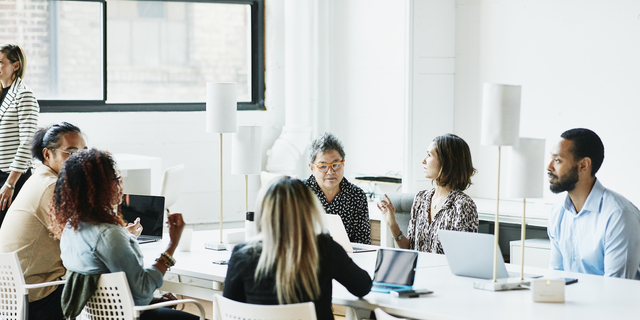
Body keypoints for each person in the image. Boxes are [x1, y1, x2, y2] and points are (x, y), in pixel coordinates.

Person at [50, 149, 196, 320]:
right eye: (116, 179)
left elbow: (111, 289)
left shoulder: (71, 228)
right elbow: (142, 292)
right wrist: (173, 244)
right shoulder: (109, 235)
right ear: (100, 188)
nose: (121, 185)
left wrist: (127, 238)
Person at [223, 177, 372, 320]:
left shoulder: (242, 255)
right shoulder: (323, 248)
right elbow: (363, 286)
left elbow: (229, 309)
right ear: (309, 210)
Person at [547, 128, 640, 279]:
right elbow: (557, 276)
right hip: (572, 300)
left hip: (611, 301)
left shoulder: (619, 215)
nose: (549, 167)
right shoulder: (558, 212)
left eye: (557, 160)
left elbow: (617, 288)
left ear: (583, 165)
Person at [378, 134, 478, 253]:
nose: (423, 160)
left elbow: (463, 257)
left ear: (447, 162)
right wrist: (392, 224)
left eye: (429, 155)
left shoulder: (463, 205)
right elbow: (410, 249)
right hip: (418, 270)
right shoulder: (421, 198)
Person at [305, 132, 371, 244]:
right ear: (312, 168)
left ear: (343, 164)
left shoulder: (357, 196)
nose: (330, 172)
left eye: (336, 165)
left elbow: (363, 243)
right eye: (323, 166)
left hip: (345, 258)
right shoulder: (300, 192)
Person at [0, 44, 39, 226]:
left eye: (0, 62)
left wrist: (10, 184)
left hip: (13, 176)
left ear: (15, 65)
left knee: (7, 230)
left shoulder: (24, 95)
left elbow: (27, 143)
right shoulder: (2, 95)